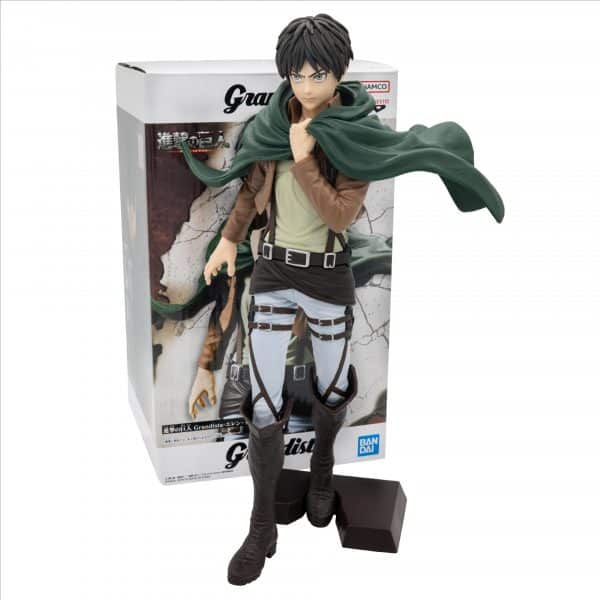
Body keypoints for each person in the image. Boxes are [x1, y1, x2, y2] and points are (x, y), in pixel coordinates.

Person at [180, 13, 503, 586]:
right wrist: (228, 240)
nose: (307, 85)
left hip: (328, 277)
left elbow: (339, 215)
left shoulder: (355, 134)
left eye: (319, 74)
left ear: (340, 72)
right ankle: (260, 526)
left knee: (331, 388)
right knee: (263, 403)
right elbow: (252, 189)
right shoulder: (274, 124)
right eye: (297, 74)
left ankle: (323, 472)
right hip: (274, 270)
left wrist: (306, 158)